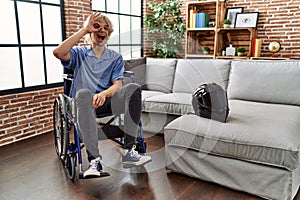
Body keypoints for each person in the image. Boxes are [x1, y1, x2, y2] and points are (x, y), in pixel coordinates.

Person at [53, 12, 152, 178]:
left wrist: (104, 94)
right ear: (90, 31)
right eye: (97, 27)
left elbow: (117, 85)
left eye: (106, 28)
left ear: (109, 33)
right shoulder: (79, 53)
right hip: (82, 104)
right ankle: (94, 162)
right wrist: (84, 30)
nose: (102, 30)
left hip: (105, 101)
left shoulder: (115, 58)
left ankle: (129, 151)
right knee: (84, 93)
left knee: (133, 87)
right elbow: (58, 52)